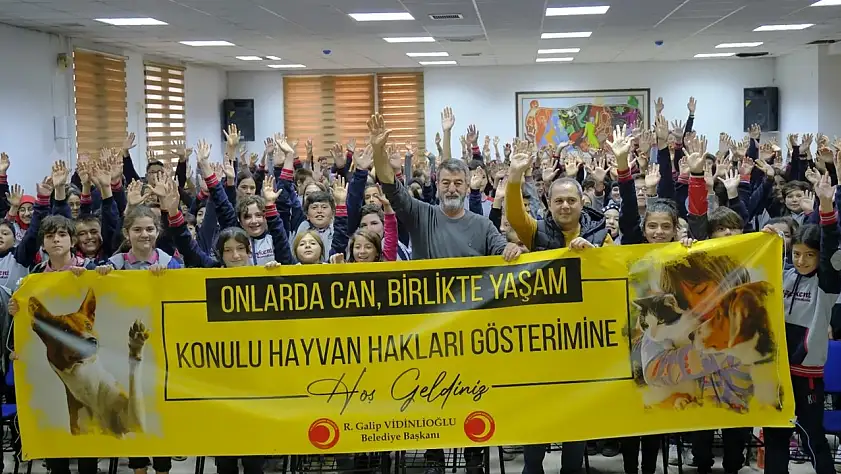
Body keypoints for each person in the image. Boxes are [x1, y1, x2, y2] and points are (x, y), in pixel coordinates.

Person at [370, 111, 520, 474]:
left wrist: (512, 250)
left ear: (468, 187)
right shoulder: (419, 214)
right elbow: (389, 184)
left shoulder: (482, 225)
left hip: (471, 329)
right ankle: (434, 455)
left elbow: (502, 250)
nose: (452, 189)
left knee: (472, 390)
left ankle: (474, 454)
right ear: (437, 186)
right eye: (446, 183)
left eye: (459, 183)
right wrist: (377, 150)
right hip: (429, 327)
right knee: (431, 391)